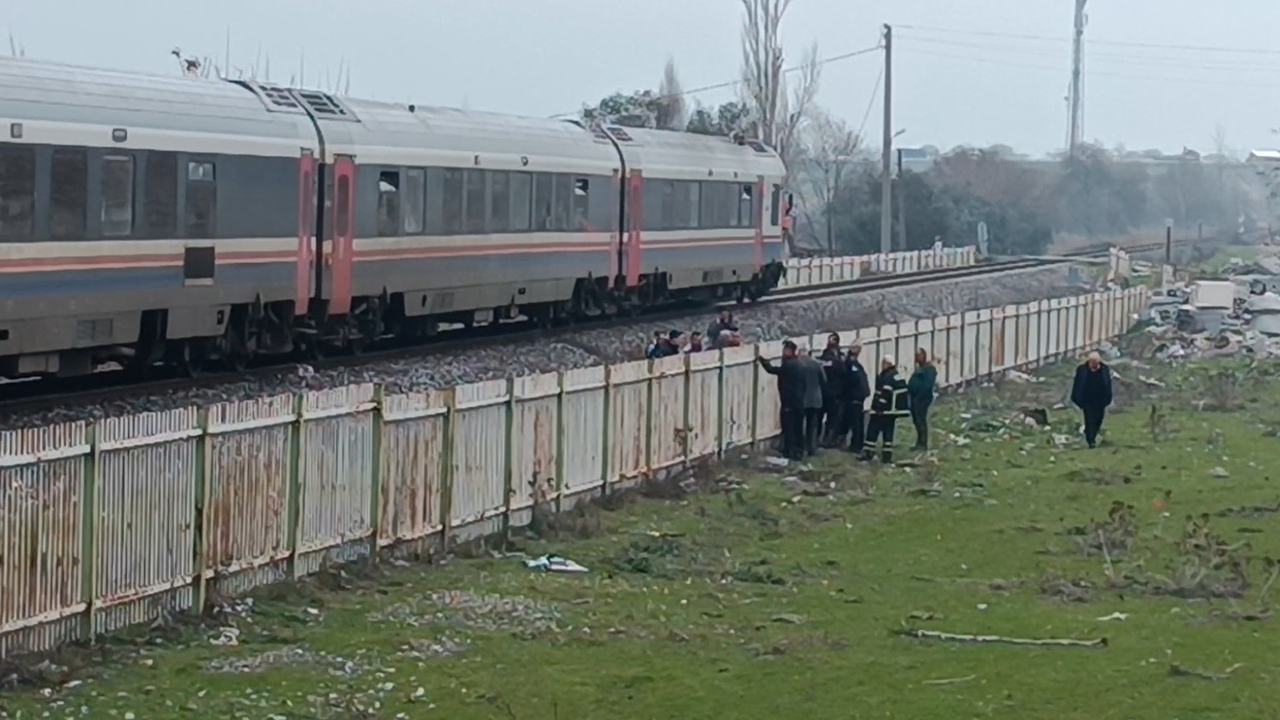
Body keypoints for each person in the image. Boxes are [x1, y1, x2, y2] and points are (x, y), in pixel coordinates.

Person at [758, 341, 806, 460]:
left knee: (788, 428)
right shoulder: (801, 365)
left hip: (789, 402)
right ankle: (798, 451)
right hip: (799, 402)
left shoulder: (789, 365)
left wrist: (763, 361)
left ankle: (789, 452)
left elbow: (772, 370)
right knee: (798, 428)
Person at [863, 355, 909, 463]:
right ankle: (887, 456)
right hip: (892, 411)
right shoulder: (897, 375)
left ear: (887, 364)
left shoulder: (887, 377)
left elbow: (885, 394)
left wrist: (878, 409)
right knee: (888, 434)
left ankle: (868, 453)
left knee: (872, 431)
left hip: (883, 411)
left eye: (883, 363)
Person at [1071, 351, 1113, 449]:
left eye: (1096, 363)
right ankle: (1091, 440)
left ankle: (1092, 434)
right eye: (1092, 362)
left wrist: (1108, 398)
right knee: (1089, 420)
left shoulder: (1104, 369)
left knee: (1098, 419)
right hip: (1087, 400)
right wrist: (1077, 399)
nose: (1094, 365)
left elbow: (1108, 384)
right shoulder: (1082, 370)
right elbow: (1077, 385)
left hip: (1100, 400)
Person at [841, 344, 871, 454]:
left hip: (855, 396)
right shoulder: (857, 366)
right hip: (858, 396)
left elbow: (852, 380)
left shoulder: (852, 365)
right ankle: (857, 443)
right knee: (857, 421)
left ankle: (856, 445)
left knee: (856, 422)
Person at [907, 348, 938, 451]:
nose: (917, 358)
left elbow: (927, 384)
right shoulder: (919, 369)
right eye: (916, 356)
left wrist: (919, 394)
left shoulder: (928, 369)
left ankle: (923, 442)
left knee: (921, 419)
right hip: (915, 397)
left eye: (919, 355)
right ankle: (919, 441)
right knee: (916, 419)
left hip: (922, 398)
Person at [818, 333, 846, 445]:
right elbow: (844, 374)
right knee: (832, 419)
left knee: (819, 418)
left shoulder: (821, 359)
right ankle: (828, 439)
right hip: (835, 394)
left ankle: (817, 439)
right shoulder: (839, 361)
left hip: (824, 392)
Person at [798, 350, 827, 456]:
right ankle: (812, 448)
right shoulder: (816, 364)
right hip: (815, 399)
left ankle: (801, 447)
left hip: (802, 398)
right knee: (813, 425)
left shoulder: (799, 364)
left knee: (800, 424)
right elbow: (824, 380)